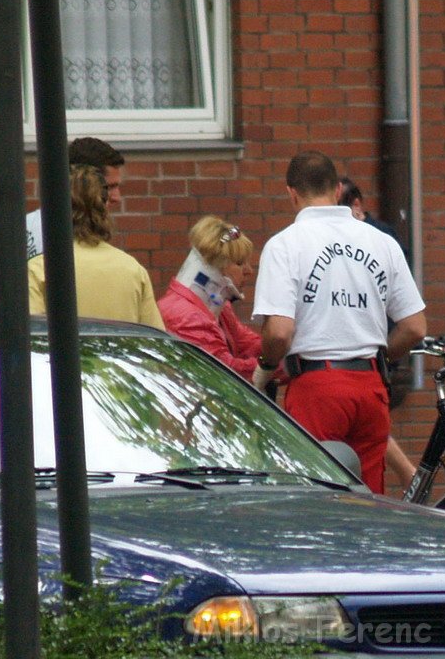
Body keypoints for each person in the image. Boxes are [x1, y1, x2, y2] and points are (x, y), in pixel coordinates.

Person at [250, 151, 427, 494]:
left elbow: (279, 332)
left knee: (316, 499)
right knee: (369, 500)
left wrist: (265, 369)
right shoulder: (381, 242)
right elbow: (415, 326)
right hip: (370, 386)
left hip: (317, 386)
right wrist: (383, 358)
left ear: (291, 194)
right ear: (336, 191)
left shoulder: (285, 245)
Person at [338, 177, 417, 486]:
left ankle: (410, 475)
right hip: (376, 352)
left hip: (374, 348)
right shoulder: (379, 237)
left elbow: (410, 321)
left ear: (356, 206)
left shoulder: (377, 237)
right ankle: (409, 476)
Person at [28, 164, 164, 330]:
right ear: (104, 205)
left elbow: (33, 338)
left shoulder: (39, 269)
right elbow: (155, 339)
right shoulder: (133, 269)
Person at [158, 216, 284, 385]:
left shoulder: (217, 307)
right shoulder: (186, 317)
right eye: (240, 263)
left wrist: (282, 348)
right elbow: (225, 372)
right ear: (213, 269)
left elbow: (246, 343)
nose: (249, 271)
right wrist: (281, 365)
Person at [27, 136, 125, 259]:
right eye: (109, 187)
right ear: (82, 183)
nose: (117, 197)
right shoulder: (61, 237)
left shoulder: (25, 228)